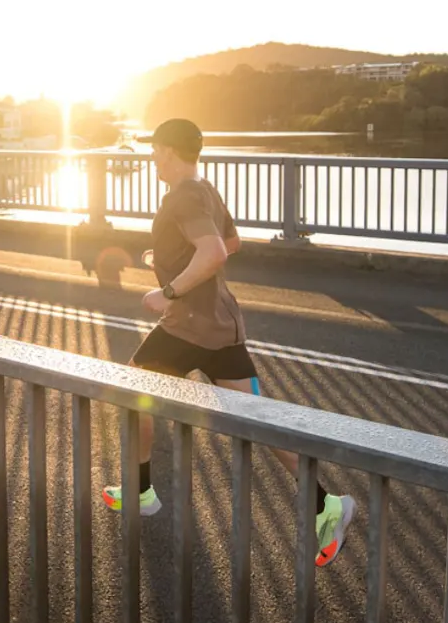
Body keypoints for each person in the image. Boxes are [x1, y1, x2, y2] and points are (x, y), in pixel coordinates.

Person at [103, 119, 356, 568]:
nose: (152, 159)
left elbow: (216, 252)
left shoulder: (181, 195)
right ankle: (326, 505)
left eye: (155, 150)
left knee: (131, 394)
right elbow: (231, 241)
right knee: (259, 420)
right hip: (221, 326)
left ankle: (141, 490)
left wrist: (168, 291)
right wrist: (168, 259)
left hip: (186, 325)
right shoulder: (206, 188)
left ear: (168, 150)